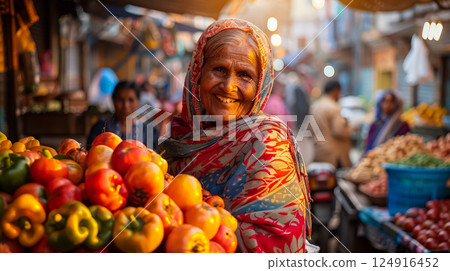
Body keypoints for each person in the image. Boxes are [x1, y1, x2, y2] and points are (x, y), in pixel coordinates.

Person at [159, 19, 312, 253]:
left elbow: (271, 249)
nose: (229, 86)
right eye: (219, 69)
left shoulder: (267, 143)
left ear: (260, 86)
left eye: (244, 75)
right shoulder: (181, 138)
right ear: (197, 74)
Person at [87, 81, 159, 150]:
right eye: (120, 100)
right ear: (113, 101)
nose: (125, 105)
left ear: (138, 101)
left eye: (131, 100)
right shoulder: (100, 127)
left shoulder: (149, 131)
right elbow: (91, 153)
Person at [310, 80, 353, 168]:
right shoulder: (333, 107)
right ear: (335, 91)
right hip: (333, 154)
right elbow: (339, 131)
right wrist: (351, 129)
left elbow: (309, 128)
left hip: (318, 151)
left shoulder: (315, 105)